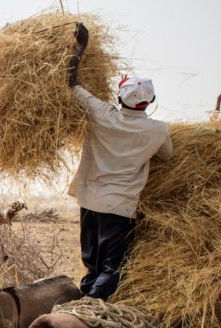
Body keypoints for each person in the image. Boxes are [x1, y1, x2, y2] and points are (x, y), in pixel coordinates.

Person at [67, 23, 173, 300]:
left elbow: (72, 83)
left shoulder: (101, 113)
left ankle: (81, 304)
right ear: (149, 103)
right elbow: (168, 156)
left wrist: (80, 48)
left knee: (91, 262)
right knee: (112, 267)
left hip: (89, 199)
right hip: (119, 205)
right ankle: (89, 309)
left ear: (119, 95)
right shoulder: (157, 130)